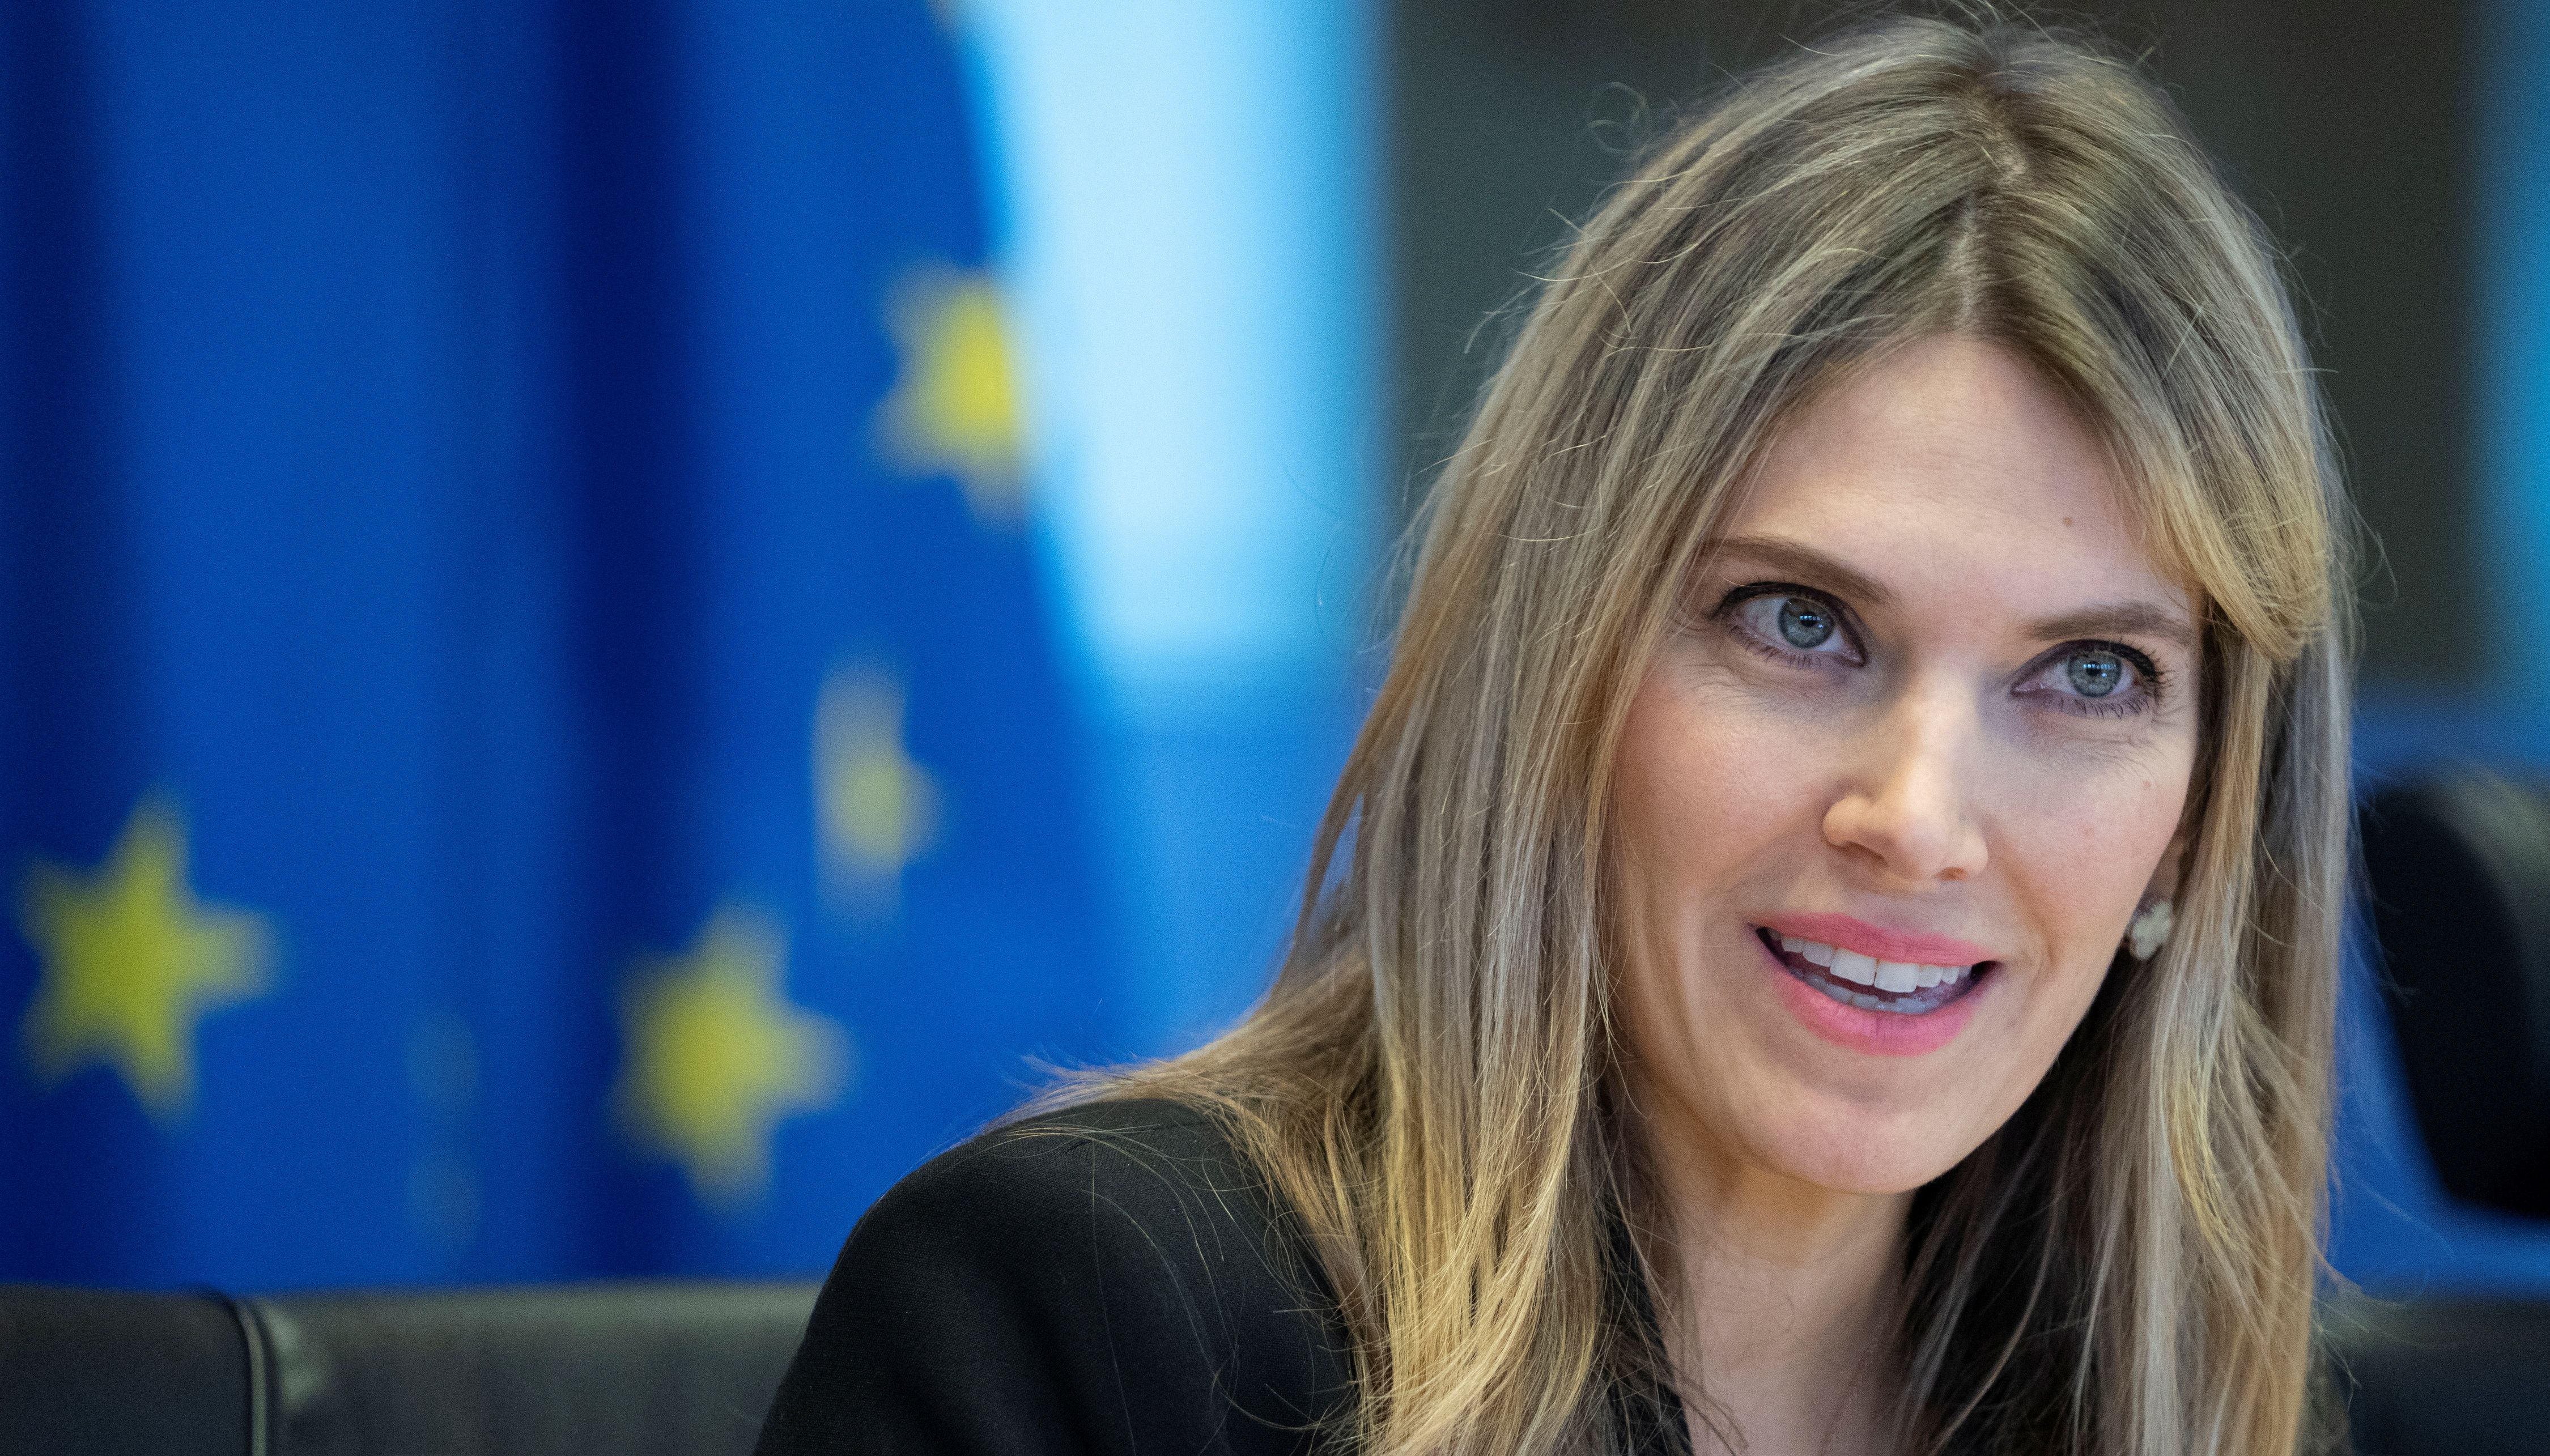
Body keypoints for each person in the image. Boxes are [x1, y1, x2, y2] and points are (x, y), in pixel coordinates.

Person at [754, 10, 2353, 1455]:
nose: (1919, 815)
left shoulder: (2244, 1408)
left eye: (2085, 675)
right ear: (1556, 671)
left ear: (2203, 814)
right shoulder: (1086, 1316)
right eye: (1800, 623)